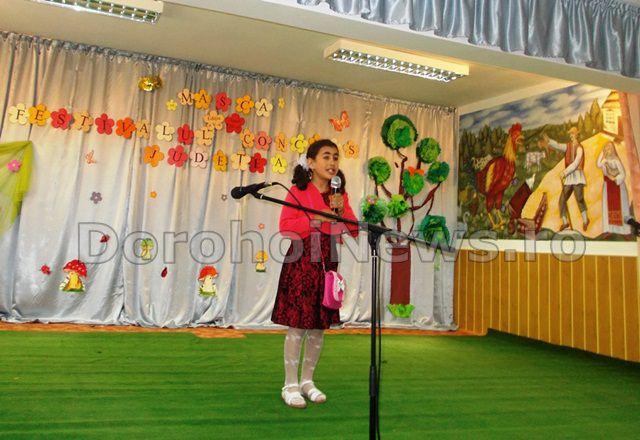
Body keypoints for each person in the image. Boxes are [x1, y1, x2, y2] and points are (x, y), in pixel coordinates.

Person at [272, 139, 358, 409]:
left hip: (328, 260)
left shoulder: (339, 195)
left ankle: (307, 381)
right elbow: (286, 226)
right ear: (311, 162)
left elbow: (354, 229)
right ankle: (290, 385)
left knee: (319, 325)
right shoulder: (298, 191)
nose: (332, 162)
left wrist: (341, 211)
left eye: (335, 157)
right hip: (302, 259)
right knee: (298, 324)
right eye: (326, 157)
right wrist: (317, 218)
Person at [541, 127, 590, 231]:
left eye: (572, 133)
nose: (571, 135)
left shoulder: (580, 148)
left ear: (577, 134)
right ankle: (565, 222)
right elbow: (558, 146)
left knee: (579, 198)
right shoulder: (568, 146)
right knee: (562, 200)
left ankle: (586, 220)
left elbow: (576, 164)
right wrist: (549, 141)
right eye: (570, 134)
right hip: (569, 178)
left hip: (577, 176)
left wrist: (565, 172)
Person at [596, 142, 631, 235]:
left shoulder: (616, 160)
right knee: (607, 207)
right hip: (607, 186)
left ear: (613, 150)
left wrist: (615, 179)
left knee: (622, 208)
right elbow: (598, 164)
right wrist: (602, 153)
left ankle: (624, 231)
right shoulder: (604, 161)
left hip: (618, 187)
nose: (608, 150)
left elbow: (623, 174)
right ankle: (609, 230)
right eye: (606, 148)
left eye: (610, 148)